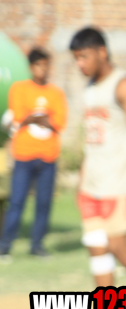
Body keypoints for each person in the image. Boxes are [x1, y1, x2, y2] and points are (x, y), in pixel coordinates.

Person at [70, 26, 126, 286]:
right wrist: (81, 180)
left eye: (84, 57)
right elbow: (91, 141)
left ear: (102, 52)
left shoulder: (124, 85)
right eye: (76, 59)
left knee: (117, 246)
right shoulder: (89, 88)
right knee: (96, 248)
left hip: (117, 183)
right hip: (91, 186)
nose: (79, 64)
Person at [0, 47, 67, 259]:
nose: (42, 70)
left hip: (48, 156)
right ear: (31, 67)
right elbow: (19, 117)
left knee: (44, 203)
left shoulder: (55, 93)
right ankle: (5, 245)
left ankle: (37, 245)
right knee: (17, 201)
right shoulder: (19, 89)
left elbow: (59, 121)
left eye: (46, 65)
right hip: (24, 154)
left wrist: (33, 118)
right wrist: (40, 118)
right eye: (38, 65)